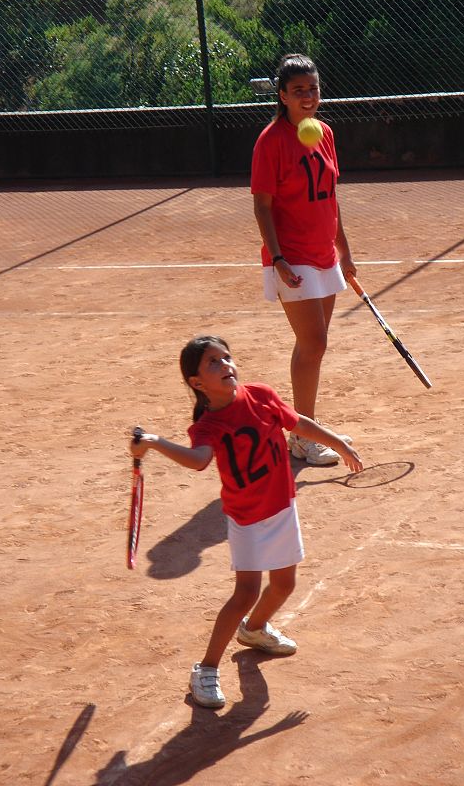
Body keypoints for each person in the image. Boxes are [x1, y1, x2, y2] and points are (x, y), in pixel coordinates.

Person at [130, 334, 363, 709]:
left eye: (227, 358)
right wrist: (155, 442)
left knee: (284, 584)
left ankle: (254, 631)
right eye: (213, 363)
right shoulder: (208, 425)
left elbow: (297, 422)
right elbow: (198, 459)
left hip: (282, 507)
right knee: (246, 594)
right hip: (248, 518)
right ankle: (205, 669)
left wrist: (337, 441)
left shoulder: (261, 395)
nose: (226, 366)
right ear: (196, 383)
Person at [251, 52, 357, 466]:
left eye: (313, 88)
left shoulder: (325, 133)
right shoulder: (270, 142)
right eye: (299, 91)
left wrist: (343, 248)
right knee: (314, 342)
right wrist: (278, 258)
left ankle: (308, 430)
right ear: (282, 96)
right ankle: (301, 433)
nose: (308, 96)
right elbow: (262, 206)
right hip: (291, 256)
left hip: (322, 251)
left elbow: (330, 196)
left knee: (313, 346)